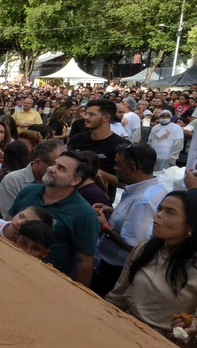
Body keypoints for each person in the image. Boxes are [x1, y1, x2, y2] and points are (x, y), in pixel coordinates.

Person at [105, 190, 197, 348]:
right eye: (160, 209)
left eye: (170, 212)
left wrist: (191, 325)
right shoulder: (145, 249)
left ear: (191, 226)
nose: (158, 215)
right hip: (121, 336)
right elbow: (117, 296)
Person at [9, 150, 100, 285]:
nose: (51, 169)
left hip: (45, 283)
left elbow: (84, 262)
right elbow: (8, 223)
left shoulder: (85, 215)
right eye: (54, 164)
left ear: (75, 180)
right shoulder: (28, 191)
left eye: (61, 169)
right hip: (8, 264)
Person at [91, 143, 168, 298]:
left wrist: (105, 227)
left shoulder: (144, 200)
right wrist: (113, 212)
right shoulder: (150, 188)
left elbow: (134, 245)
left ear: (133, 168)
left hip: (115, 271)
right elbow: (134, 221)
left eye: (118, 164)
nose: (114, 168)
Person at [68, 98, 124, 198]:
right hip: (69, 197)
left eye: (91, 114)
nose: (86, 117)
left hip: (98, 202)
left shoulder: (120, 146)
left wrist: (96, 172)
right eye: (86, 113)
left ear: (105, 118)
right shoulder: (77, 139)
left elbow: (125, 183)